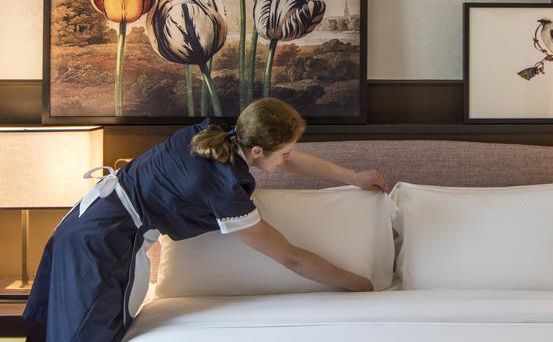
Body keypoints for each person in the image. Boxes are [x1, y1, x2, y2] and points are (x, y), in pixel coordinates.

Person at [23, 97, 388, 342]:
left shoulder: (219, 133)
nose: (287, 160)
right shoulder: (223, 187)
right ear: (257, 151)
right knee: (84, 336)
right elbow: (289, 257)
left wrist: (352, 177)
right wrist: (354, 282)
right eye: (285, 152)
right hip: (101, 242)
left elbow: (289, 160)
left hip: (89, 218)